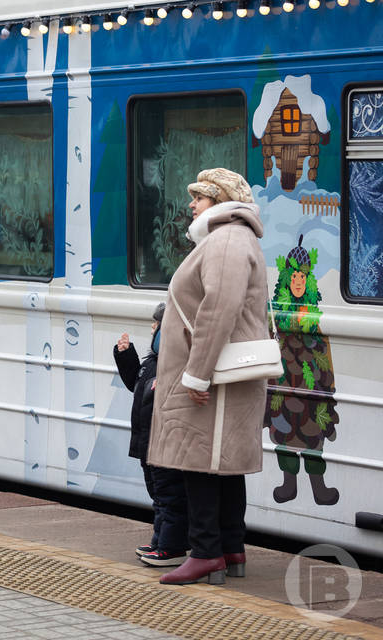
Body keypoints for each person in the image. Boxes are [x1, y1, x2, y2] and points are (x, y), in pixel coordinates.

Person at [147, 168, 268, 585]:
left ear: (219, 201)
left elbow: (218, 309)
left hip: (213, 379)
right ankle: (231, 547)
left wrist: (196, 375)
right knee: (223, 464)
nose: (191, 205)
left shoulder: (227, 239)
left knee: (197, 460)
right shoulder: (233, 238)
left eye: (199, 197)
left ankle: (204, 552)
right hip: (223, 377)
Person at [113, 303, 189, 567]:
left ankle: (172, 547)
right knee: (158, 495)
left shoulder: (174, 365)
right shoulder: (152, 363)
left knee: (170, 496)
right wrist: (126, 356)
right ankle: (160, 541)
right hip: (148, 443)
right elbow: (136, 385)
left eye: (156, 324)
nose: (152, 328)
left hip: (164, 443)